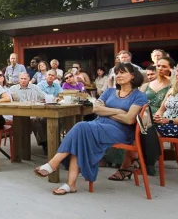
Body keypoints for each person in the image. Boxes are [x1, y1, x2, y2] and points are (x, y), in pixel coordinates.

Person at [34, 63, 147, 195]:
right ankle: (70, 184)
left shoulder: (139, 96)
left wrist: (107, 112)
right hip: (99, 124)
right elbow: (96, 109)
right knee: (80, 136)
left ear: (133, 76)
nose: (118, 75)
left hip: (120, 131)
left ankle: (54, 163)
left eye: (122, 72)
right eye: (117, 73)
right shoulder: (109, 91)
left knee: (81, 127)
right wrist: (118, 111)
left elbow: (129, 119)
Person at [108, 57, 175, 179]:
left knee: (138, 126)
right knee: (129, 124)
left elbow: (170, 106)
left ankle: (137, 162)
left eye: (164, 66)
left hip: (162, 116)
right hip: (143, 114)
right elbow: (135, 102)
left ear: (171, 69)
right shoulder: (145, 85)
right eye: (158, 65)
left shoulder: (174, 84)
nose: (160, 68)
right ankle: (129, 161)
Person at [9, 73, 50, 153]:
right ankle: (44, 142)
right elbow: (9, 101)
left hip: (35, 112)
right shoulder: (12, 89)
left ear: (29, 79)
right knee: (34, 120)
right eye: (21, 78)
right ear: (18, 79)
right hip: (19, 113)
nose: (23, 80)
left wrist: (49, 99)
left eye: (25, 79)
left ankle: (46, 141)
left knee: (43, 119)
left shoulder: (35, 87)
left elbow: (45, 96)